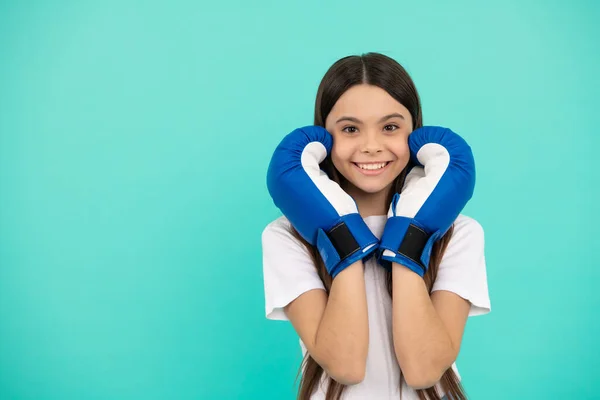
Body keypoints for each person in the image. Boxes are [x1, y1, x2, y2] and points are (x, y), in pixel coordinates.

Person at [261, 52, 491, 400]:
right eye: (350, 129)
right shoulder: (287, 236)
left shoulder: (460, 232)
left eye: (390, 127)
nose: (371, 146)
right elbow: (346, 365)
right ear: (321, 138)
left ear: (417, 136)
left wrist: (411, 233)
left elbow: (423, 369)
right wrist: (340, 232)